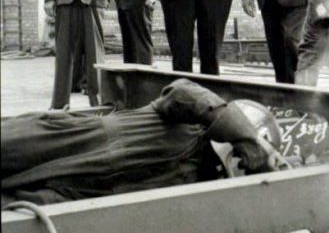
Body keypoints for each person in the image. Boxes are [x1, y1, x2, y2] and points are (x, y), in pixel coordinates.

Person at [1, 79, 286, 206]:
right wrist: (249, 138)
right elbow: (182, 90)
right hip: (71, 140)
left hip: (81, 194)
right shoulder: (189, 121)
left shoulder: (198, 184)